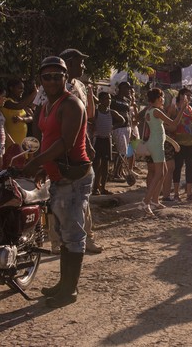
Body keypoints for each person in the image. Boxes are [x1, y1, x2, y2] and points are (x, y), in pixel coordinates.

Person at [23, 56, 92, 308]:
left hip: (73, 176)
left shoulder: (72, 104)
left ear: (66, 78)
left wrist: (35, 162)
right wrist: (43, 166)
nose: (52, 81)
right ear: (39, 80)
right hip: (58, 175)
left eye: (57, 76)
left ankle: (70, 290)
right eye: (46, 76)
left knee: (73, 233)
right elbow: (47, 138)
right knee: (63, 233)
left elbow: (66, 143)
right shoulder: (46, 106)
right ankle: (64, 285)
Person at [58, 48, 102, 254]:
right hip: (58, 148)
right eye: (79, 62)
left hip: (80, 147)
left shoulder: (80, 86)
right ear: (68, 64)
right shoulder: (53, 86)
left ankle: (88, 237)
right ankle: (56, 241)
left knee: (82, 194)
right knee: (58, 195)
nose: (83, 66)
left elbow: (87, 116)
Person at [140, 88, 186, 214]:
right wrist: (182, 109)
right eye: (162, 97)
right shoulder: (156, 111)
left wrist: (173, 142)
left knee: (163, 171)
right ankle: (146, 201)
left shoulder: (150, 111)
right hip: (156, 145)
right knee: (159, 173)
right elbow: (173, 124)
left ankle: (154, 201)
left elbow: (160, 132)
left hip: (155, 143)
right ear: (158, 98)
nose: (164, 100)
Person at [91, 91, 124, 196]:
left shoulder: (112, 112)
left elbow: (123, 120)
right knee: (96, 165)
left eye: (109, 99)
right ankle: (95, 187)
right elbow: (90, 121)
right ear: (100, 101)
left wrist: (113, 127)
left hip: (107, 139)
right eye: (105, 98)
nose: (108, 101)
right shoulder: (96, 112)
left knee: (105, 165)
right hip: (98, 139)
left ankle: (103, 188)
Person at [168, 88, 192, 201]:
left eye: (190, 96)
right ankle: (176, 194)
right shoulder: (174, 107)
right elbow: (169, 120)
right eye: (187, 95)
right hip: (179, 143)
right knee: (178, 168)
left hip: (191, 143)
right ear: (180, 95)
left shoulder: (190, 108)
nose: (189, 98)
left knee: (190, 167)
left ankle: (189, 193)